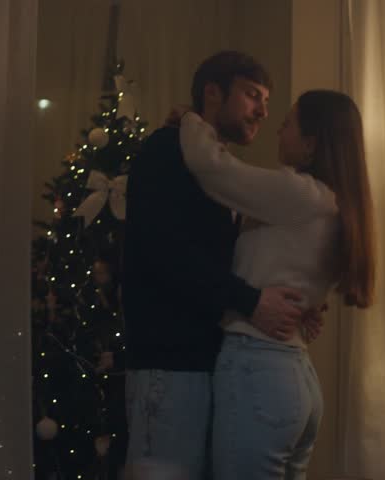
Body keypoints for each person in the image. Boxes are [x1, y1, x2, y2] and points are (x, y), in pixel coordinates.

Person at [121, 51, 319, 479]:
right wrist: (251, 301)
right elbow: (164, 253)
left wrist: (301, 303)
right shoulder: (166, 151)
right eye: (252, 96)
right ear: (213, 93)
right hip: (170, 367)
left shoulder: (220, 171)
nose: (264, 111)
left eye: (267, 101)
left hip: (207, 363)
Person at [173, 89, 375, 479]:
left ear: (311, 143)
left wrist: (190, 118)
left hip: (258, 368)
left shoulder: (298, 193)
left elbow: (213, 168)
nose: (278, 132)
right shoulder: (331, 203)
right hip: (292, 375)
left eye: (287, 125)